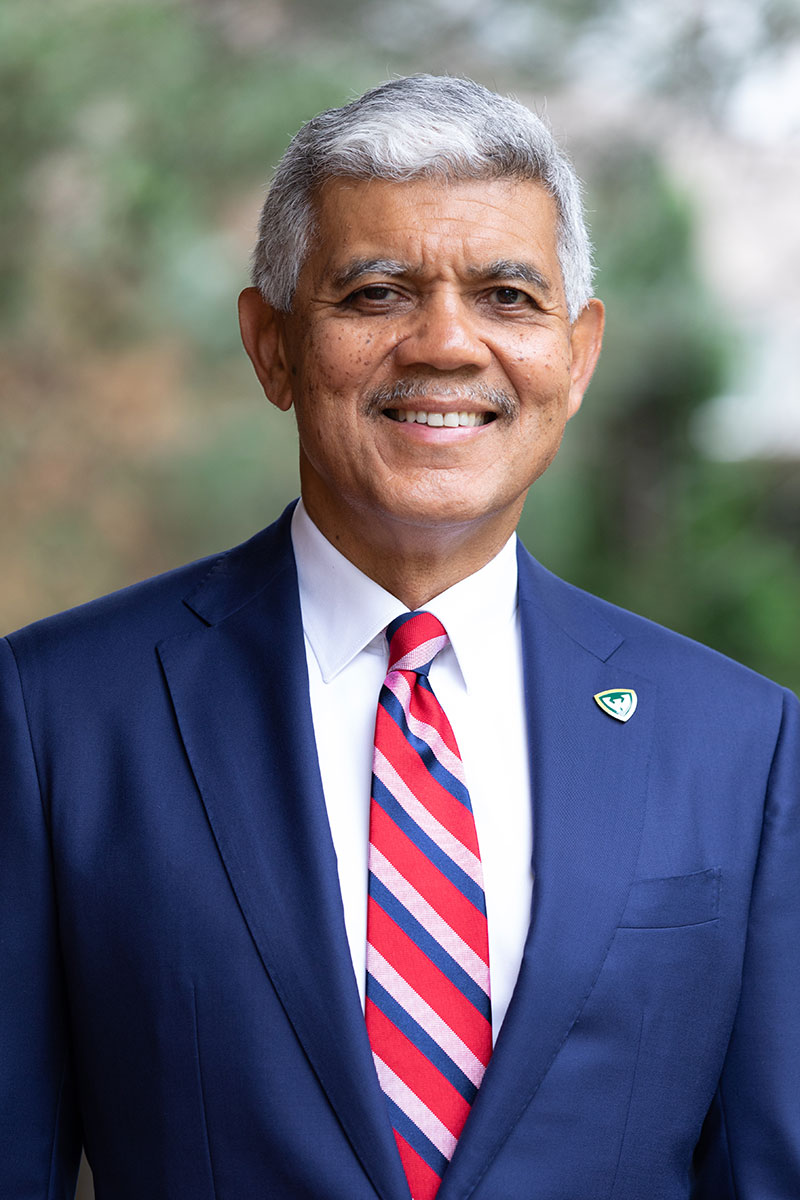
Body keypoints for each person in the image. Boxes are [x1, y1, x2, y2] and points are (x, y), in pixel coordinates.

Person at [1, 74, 798, 1200]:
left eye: (506, 297)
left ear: (576, 357)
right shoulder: (55, 717)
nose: (444, 344)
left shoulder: (742, 743)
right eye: (376, 293)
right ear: (270, 347)